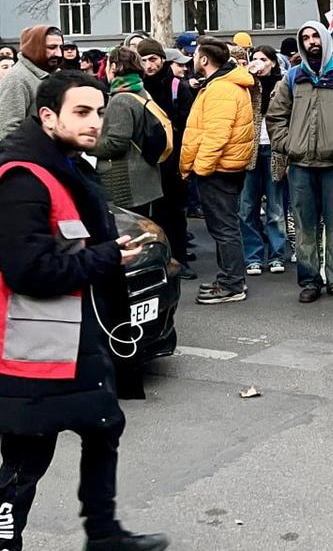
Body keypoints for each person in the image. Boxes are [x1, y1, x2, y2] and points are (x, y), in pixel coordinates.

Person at [0, 71, 169, 551]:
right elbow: (28, 270)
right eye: (82, 112)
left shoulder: (67, 166)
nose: (95, 121)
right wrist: (106, 256)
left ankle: (104, 534)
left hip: (76, 341)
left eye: (98, 111)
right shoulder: (22, 177)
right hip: (34, 351)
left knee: (103, 427)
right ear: (48, 115)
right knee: (26, 456)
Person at [267, 21, 333, 304]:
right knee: (304, 226)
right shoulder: (292, 78)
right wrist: (288, 145)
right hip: (300, 166)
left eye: (315, 36)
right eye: (305, 37)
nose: (311, 42)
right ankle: (309, 281)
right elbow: (275, 116)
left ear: (325, 39)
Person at [180, 36, 255, 304]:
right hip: (224, 168)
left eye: (195, 55)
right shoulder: (221, 85)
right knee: (226, 227)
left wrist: (199, 169)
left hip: (218, 171)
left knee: (224, 229)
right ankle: (229, 279)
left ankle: (232, 284)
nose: (191, 60)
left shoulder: (221, 89)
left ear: (204, 59)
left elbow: (215, 136)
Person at [140, 39, 196, 279]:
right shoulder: (137, 87)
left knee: (175, 215)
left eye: (152, 59)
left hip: (173, 162)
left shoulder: (177, 87)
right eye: (143, 60)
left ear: (162, 60)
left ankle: (180, 259)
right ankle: (153, 261)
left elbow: (187, 125)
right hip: (146, 161)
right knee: (147, 216)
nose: (148, 65)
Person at [90, 48, 164, 215]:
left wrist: (86, 146)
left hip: (127, 182)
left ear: (114, 66)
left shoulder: (121, 99)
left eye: (107, 65)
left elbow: (116, 144)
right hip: (144, 177)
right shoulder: (140, 90)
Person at [239, 46, 288, 277]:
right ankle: (253, 257)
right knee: (247, 207)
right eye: (255, 58)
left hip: (275, 150)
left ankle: (277, 255)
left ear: (273, 63)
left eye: (263, 59)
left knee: (276, 207)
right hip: (249, 151)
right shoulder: (246, 84)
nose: (258, 62)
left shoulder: (283, 84)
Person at [0, 25, 64, 139]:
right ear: (34, 47)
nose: (59, 53)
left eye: (60, 47)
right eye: (52, 47)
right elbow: (9, 130)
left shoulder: (55, 74)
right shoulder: (17, 79)